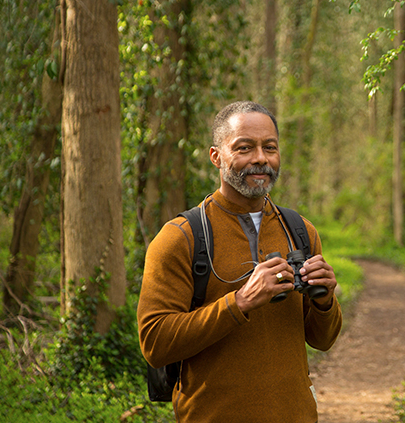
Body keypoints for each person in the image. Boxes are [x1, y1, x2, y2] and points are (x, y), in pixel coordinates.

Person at [137, 101, 343, 422]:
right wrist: (241, 302)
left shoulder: (300, 231)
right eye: (244, 147)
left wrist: (326, 300)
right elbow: (155, 343)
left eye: (269, 147)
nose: (260, 158)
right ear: (216, 156)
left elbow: (323, 339)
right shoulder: (181, 237)